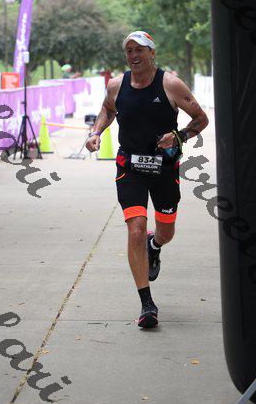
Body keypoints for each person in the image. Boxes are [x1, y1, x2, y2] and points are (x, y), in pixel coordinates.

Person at [86, 30, 209, 329]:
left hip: (164, 169)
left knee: (165, 232)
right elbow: (107, 109)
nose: (133, 55)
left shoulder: (170, 84)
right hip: (130, 168)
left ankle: (155, 246)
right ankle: (147, 304)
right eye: (129, 50)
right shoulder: (117, 85)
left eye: (139, 50)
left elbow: (201, 119)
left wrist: (179, 136)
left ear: (152, 53)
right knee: (136, 229)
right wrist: (96, 132)